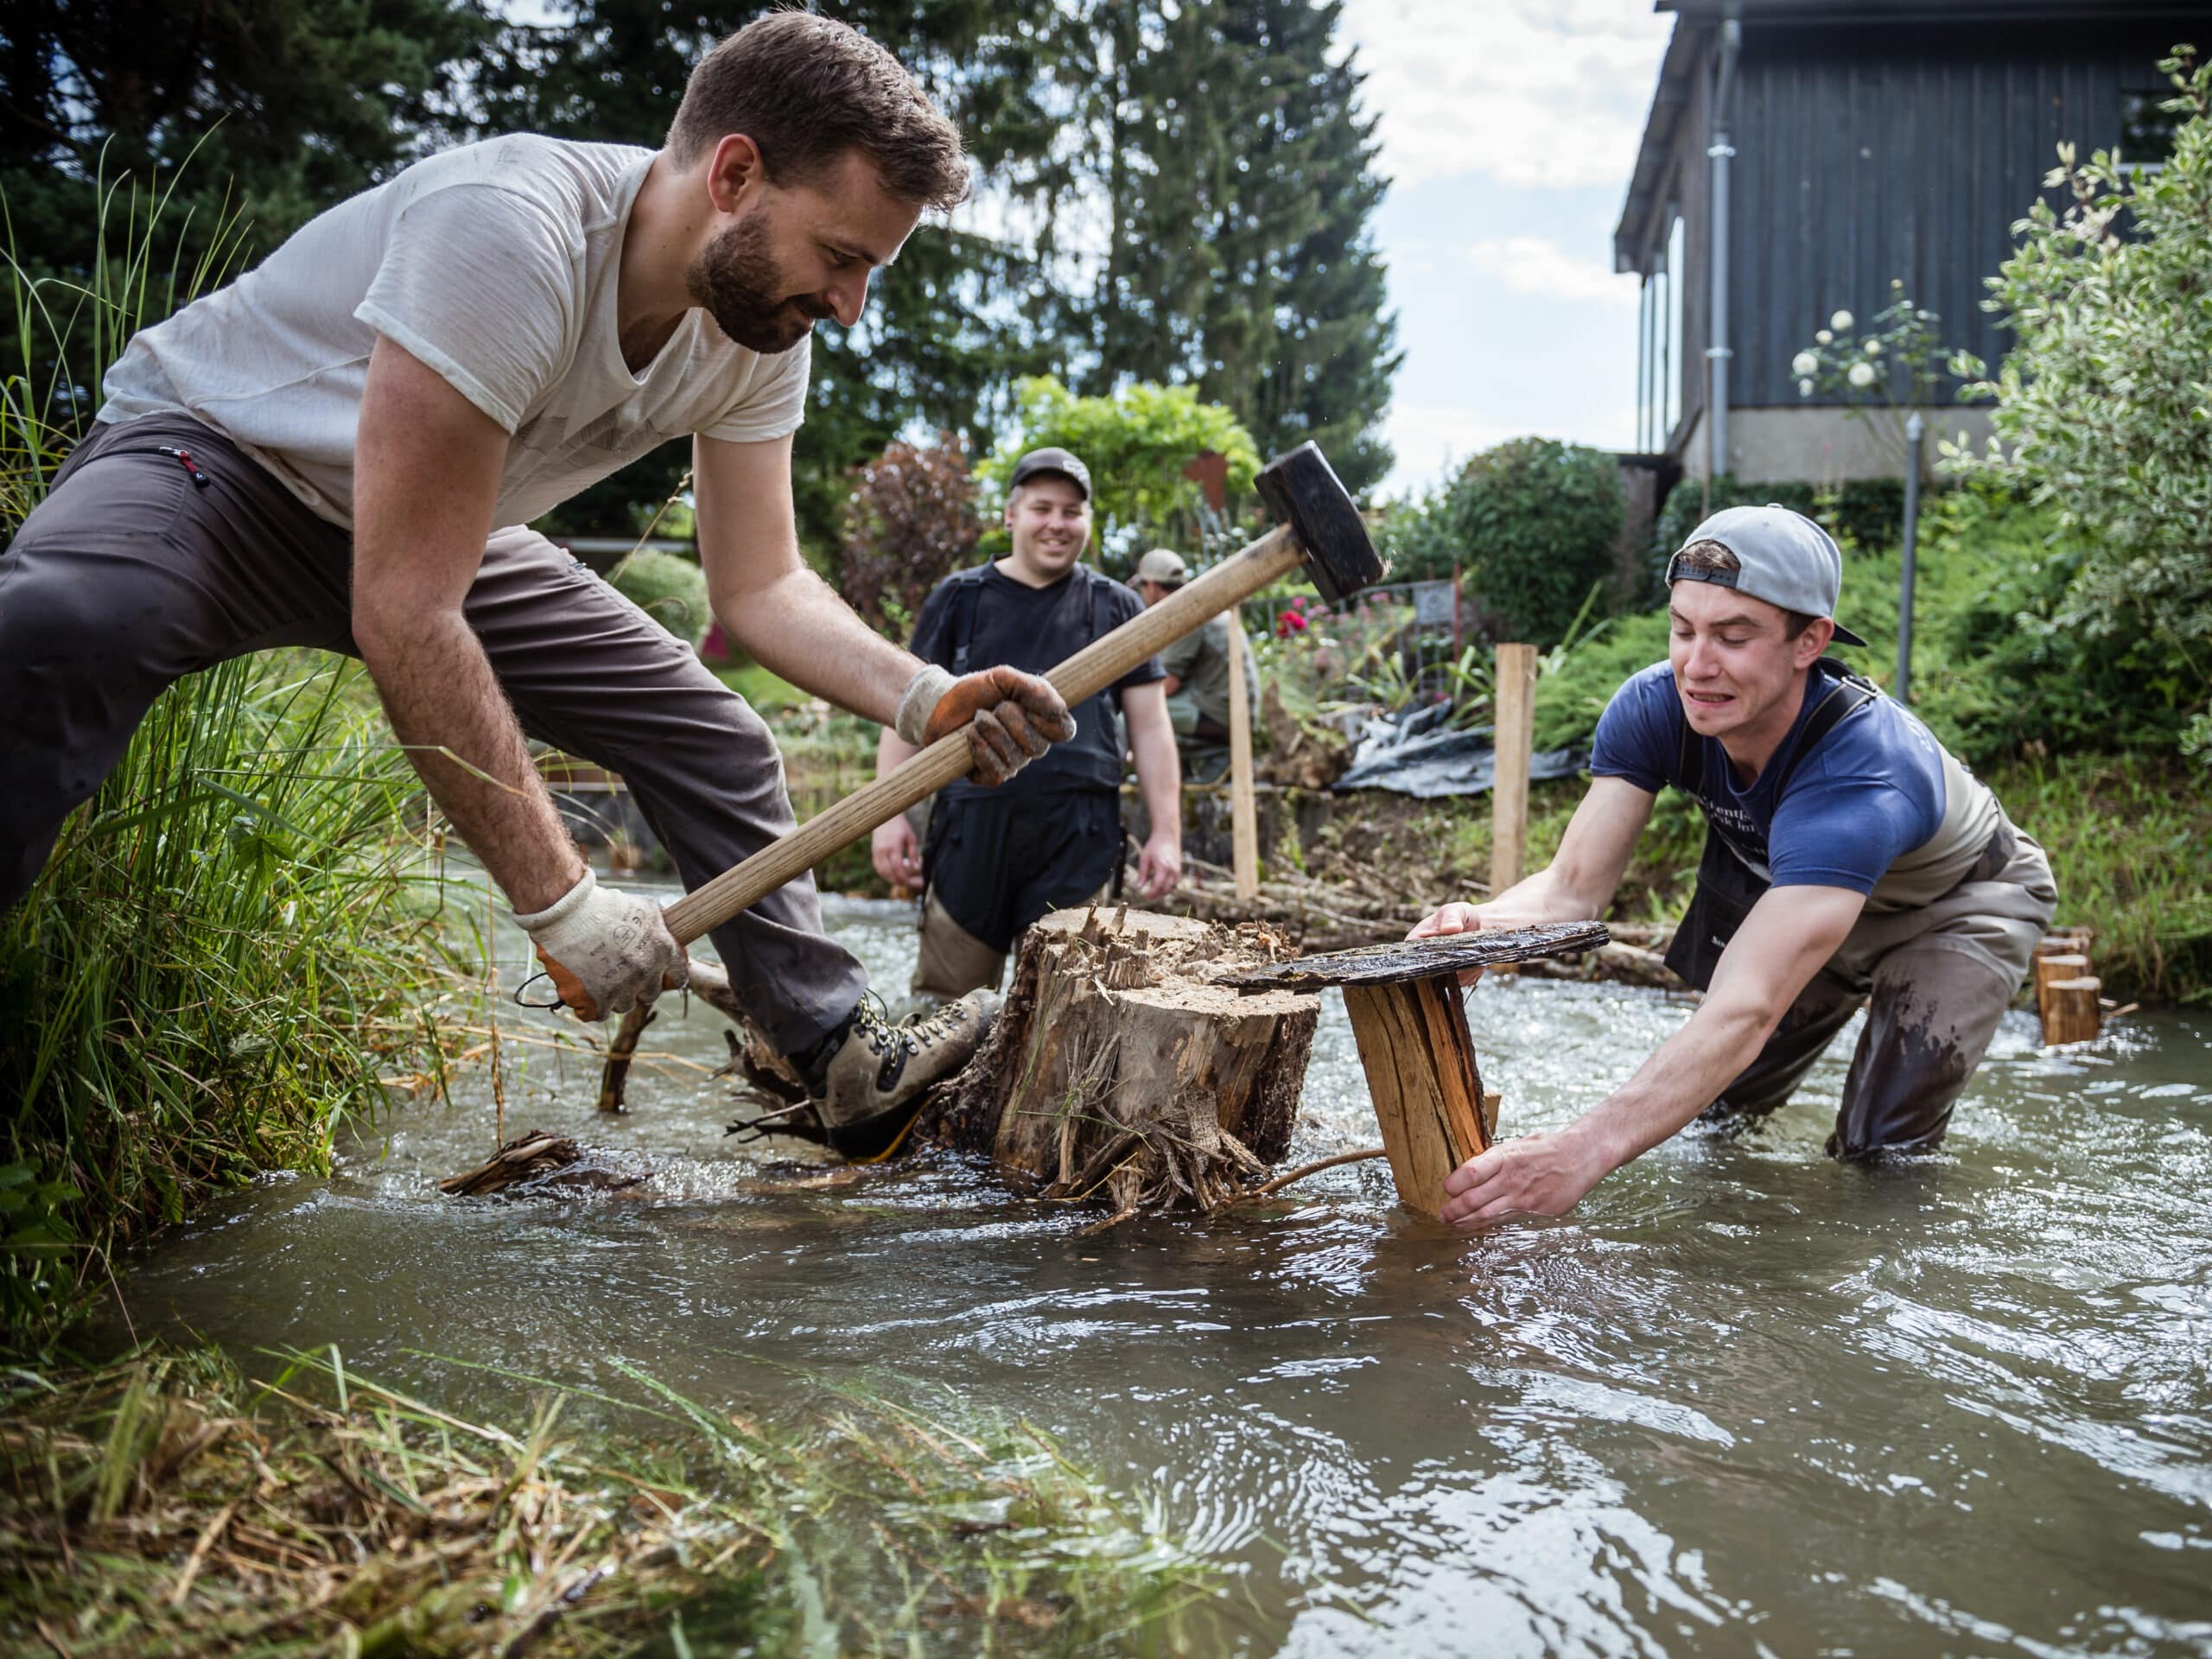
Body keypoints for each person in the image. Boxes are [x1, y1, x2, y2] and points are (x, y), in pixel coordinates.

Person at [0, 14, 1077, 1164]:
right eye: (844, 256)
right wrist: (562, 906)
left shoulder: (759, 329)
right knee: (57, 627)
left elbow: (761, 585)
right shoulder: (509, 231)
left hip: (440, 521)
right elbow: (408, 610)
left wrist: (923, 697)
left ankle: (838, 1053)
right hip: (227, 461)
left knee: (713, 734)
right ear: (735, 174)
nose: (853, 304)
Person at [1411, 505, 2056, 1225]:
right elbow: (1571, 889)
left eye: (1733, 637)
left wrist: (1580, 1151)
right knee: (1714, 1107)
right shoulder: (1655, 708)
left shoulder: (1863, 775)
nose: (1697, 664)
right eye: (1683, 629)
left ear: (1809, 640)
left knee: (1880, 1152)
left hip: (1958, 904)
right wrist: (1481, 924)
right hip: (1806, 895)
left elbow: (1745, 1007)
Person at [872, 448, 1183, 1004]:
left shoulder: (1119, 607)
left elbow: (1152, 729)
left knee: (1071, 1009)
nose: (1058, 524)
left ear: (1087, 521)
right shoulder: (960, 600)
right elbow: (907, 713)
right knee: (946, 1007)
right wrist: (888, 818)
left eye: (1072, 511)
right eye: (1043, 508)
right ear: (1012, 515)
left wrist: (1167, 832)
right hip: (971, 833)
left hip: (1079, 836)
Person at [1133, 547, 1259, 774]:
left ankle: (1154, 778)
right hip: (1233, 711)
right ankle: (1180, 772)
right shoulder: (1196, 604)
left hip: (1224, 716)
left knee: (1132, 714)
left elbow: (1167, 686)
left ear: (1151, 586)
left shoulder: (1185, 613)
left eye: (1142, 585)